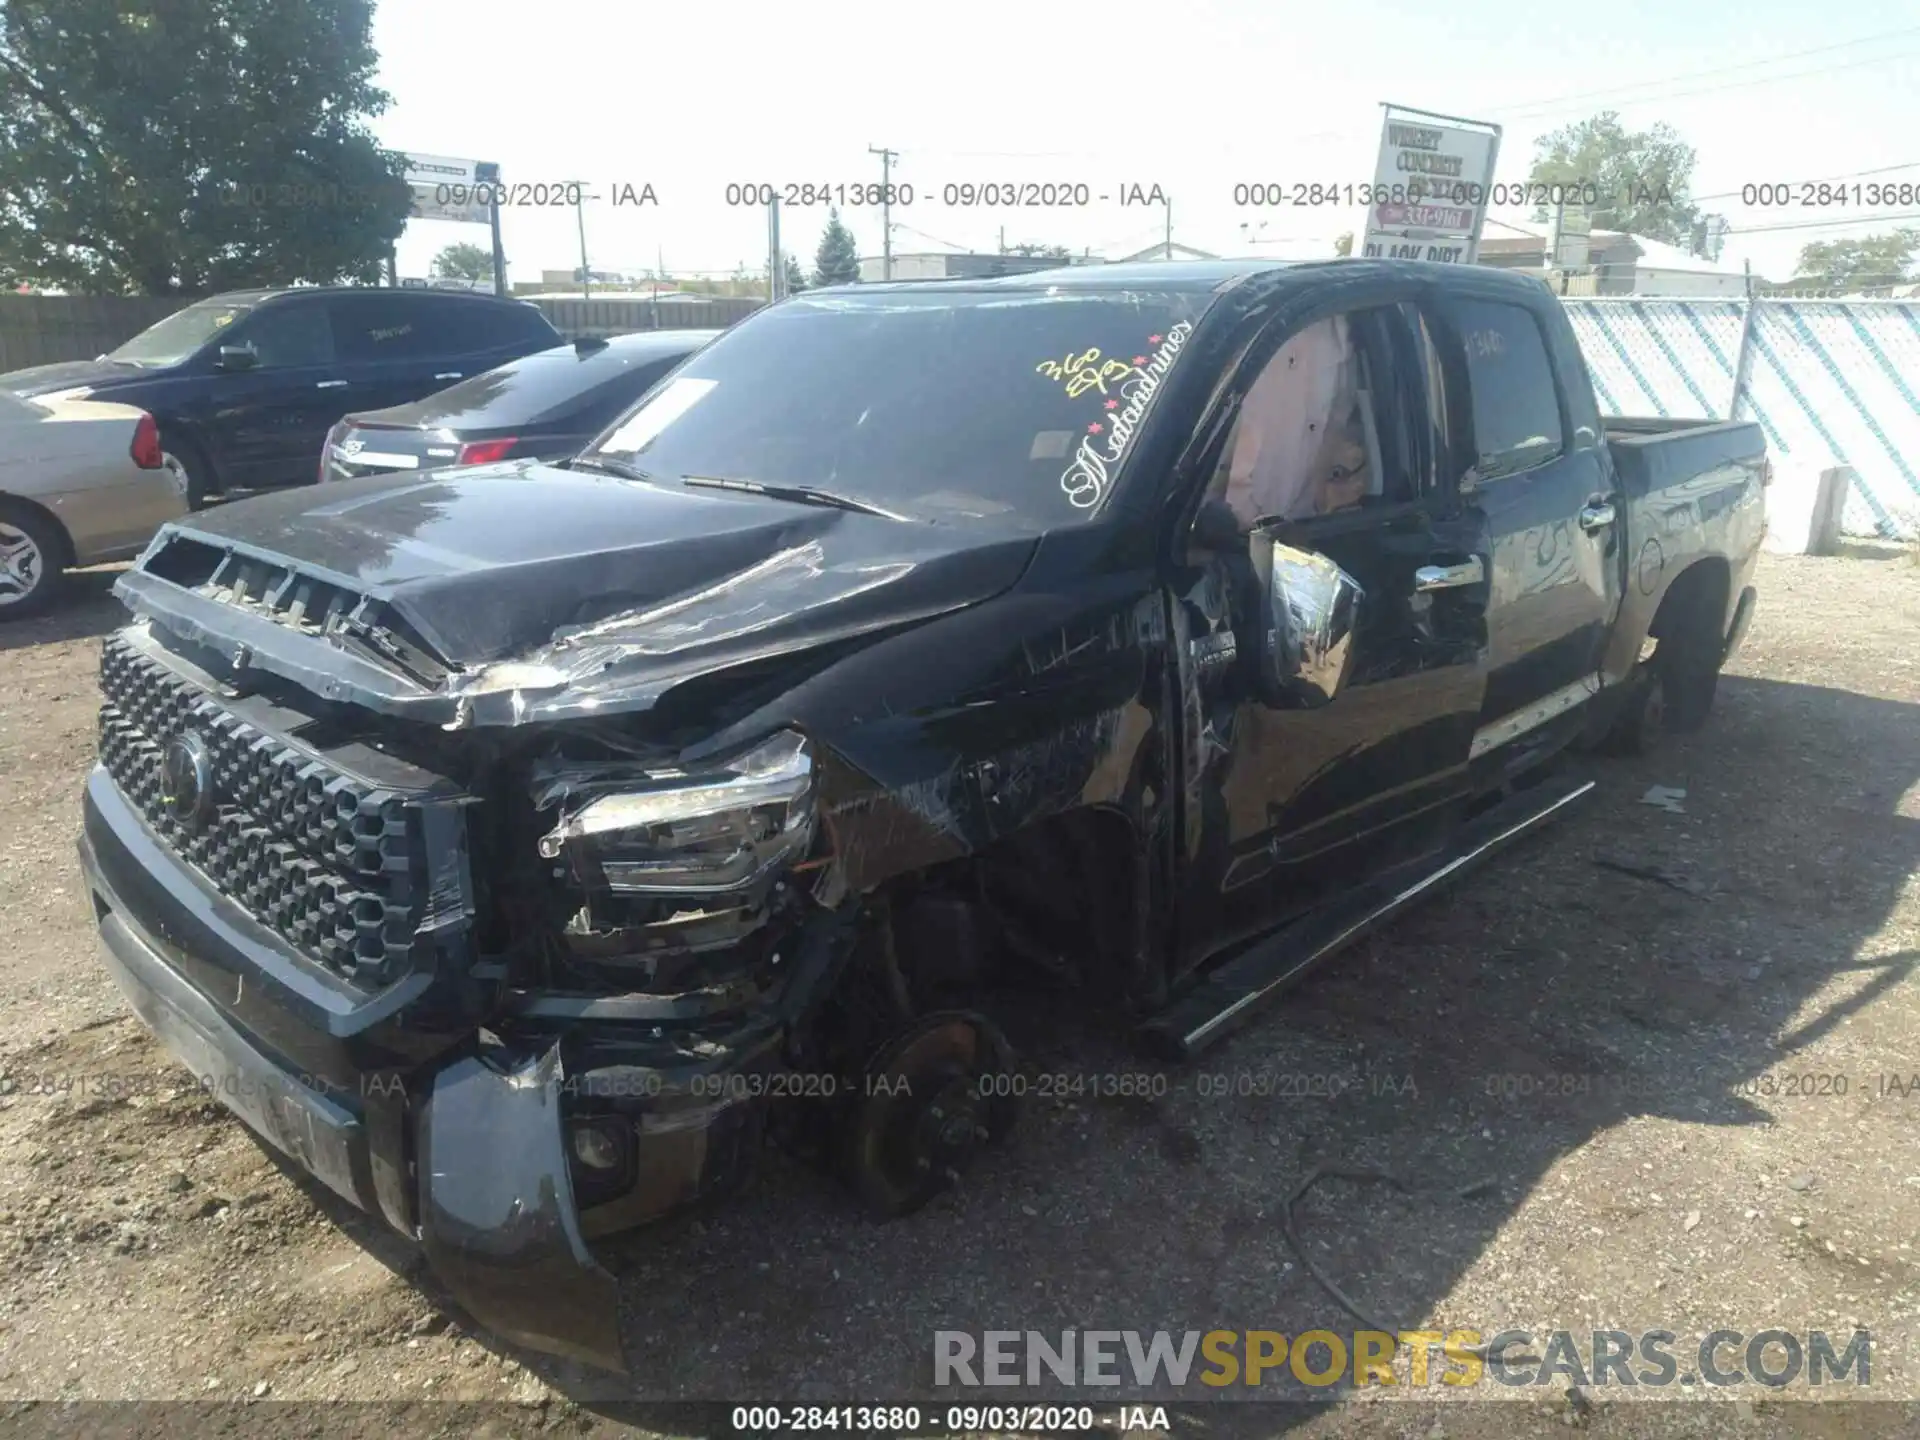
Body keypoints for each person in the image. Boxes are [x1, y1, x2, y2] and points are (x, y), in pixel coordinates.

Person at [1221, 316, 1362, 529]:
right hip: (1209, 533)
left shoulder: (1337, 326)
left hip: (1298, 532)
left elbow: (1336, 424)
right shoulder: (1232, 322)